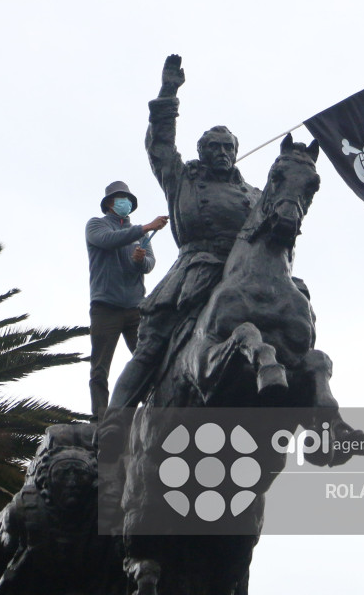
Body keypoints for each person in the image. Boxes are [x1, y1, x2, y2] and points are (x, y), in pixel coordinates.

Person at [95, 55, 266, 454]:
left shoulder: (254, 195)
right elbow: (159, 143)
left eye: (228, 147)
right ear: (202, 151)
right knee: (151, 343)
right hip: (196, 268)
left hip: (242, 274)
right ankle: (115, 423)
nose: (222, 153)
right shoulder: (182, 176)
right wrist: (169, 92)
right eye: (214, 147)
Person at [86, 181, 168, 421]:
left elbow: (150, 265)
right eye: (120, 198)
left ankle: (154, 412)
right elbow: (108, 240)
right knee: (100, 367)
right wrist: (146, 227)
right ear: (110, 203)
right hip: (105, 308)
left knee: (148, 361)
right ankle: (100, 418)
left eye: (128, 199)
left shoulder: (140, 235)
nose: (126, 203)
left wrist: (139, 260)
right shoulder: (96, 225)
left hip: (135, 309)